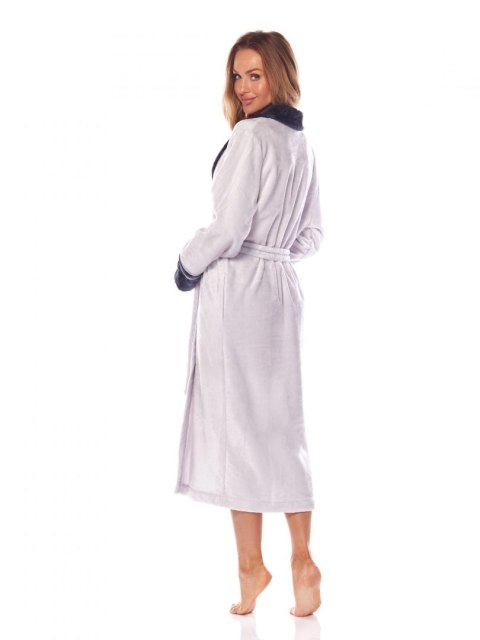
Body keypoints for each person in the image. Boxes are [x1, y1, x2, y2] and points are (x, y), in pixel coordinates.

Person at [174, 30, 324, 617]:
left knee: (239, 428)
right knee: (282, 426)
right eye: (237, 76)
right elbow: (312, 234)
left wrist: (188, 264)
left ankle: (250, 567)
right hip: (282, 292)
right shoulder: (300, 142)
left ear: (278, 75)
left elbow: (229, 228)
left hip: (238, 296)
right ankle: (302, 558)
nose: (242, 87)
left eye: (254, 74)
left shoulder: (251, 136)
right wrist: (275, 255)